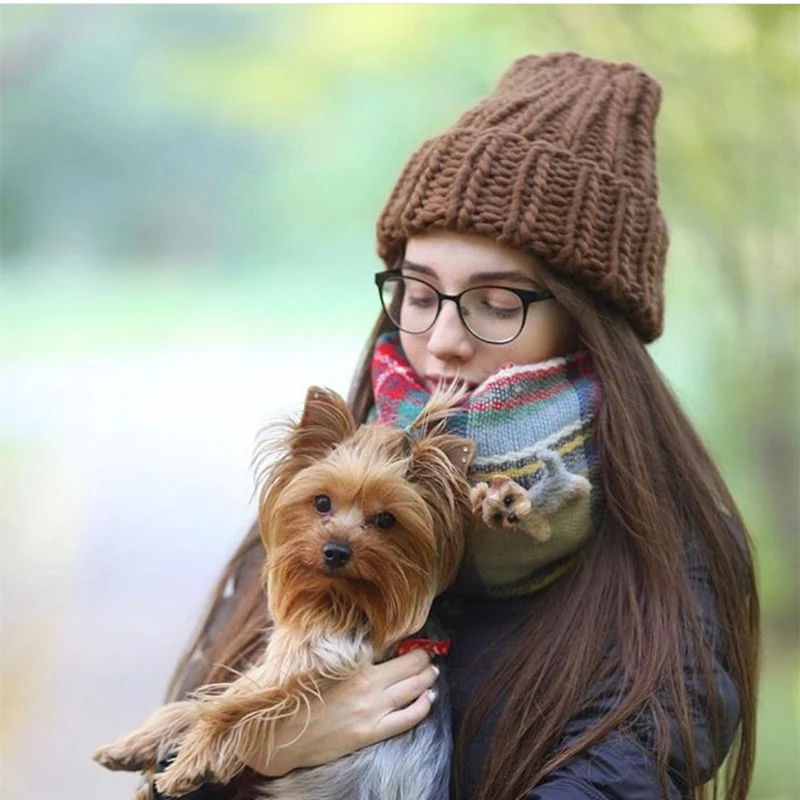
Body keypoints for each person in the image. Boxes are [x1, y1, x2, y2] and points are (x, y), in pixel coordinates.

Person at [153, 52, 759, 800]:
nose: (443, 340)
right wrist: (265, 750)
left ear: (589, 323)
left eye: (497, 304)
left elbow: (625, 774)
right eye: (418, 294)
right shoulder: (320, 493)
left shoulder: (667, 552)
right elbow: (165, 773)